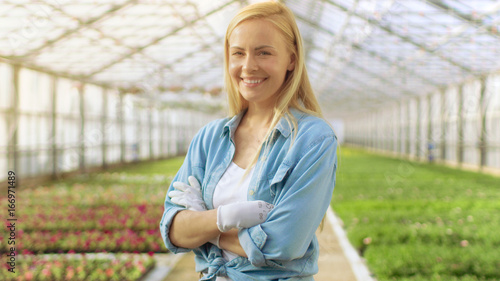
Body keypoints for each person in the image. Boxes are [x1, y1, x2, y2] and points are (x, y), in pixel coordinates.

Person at [159, 1, 338, 280]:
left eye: (264, 53)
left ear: (292, 59)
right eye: (238, 53)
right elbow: (172, 230)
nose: (248, 66)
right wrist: (228, 216)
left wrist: (204, 230)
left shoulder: (313, 139)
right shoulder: (210, 138)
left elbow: (283, 243)